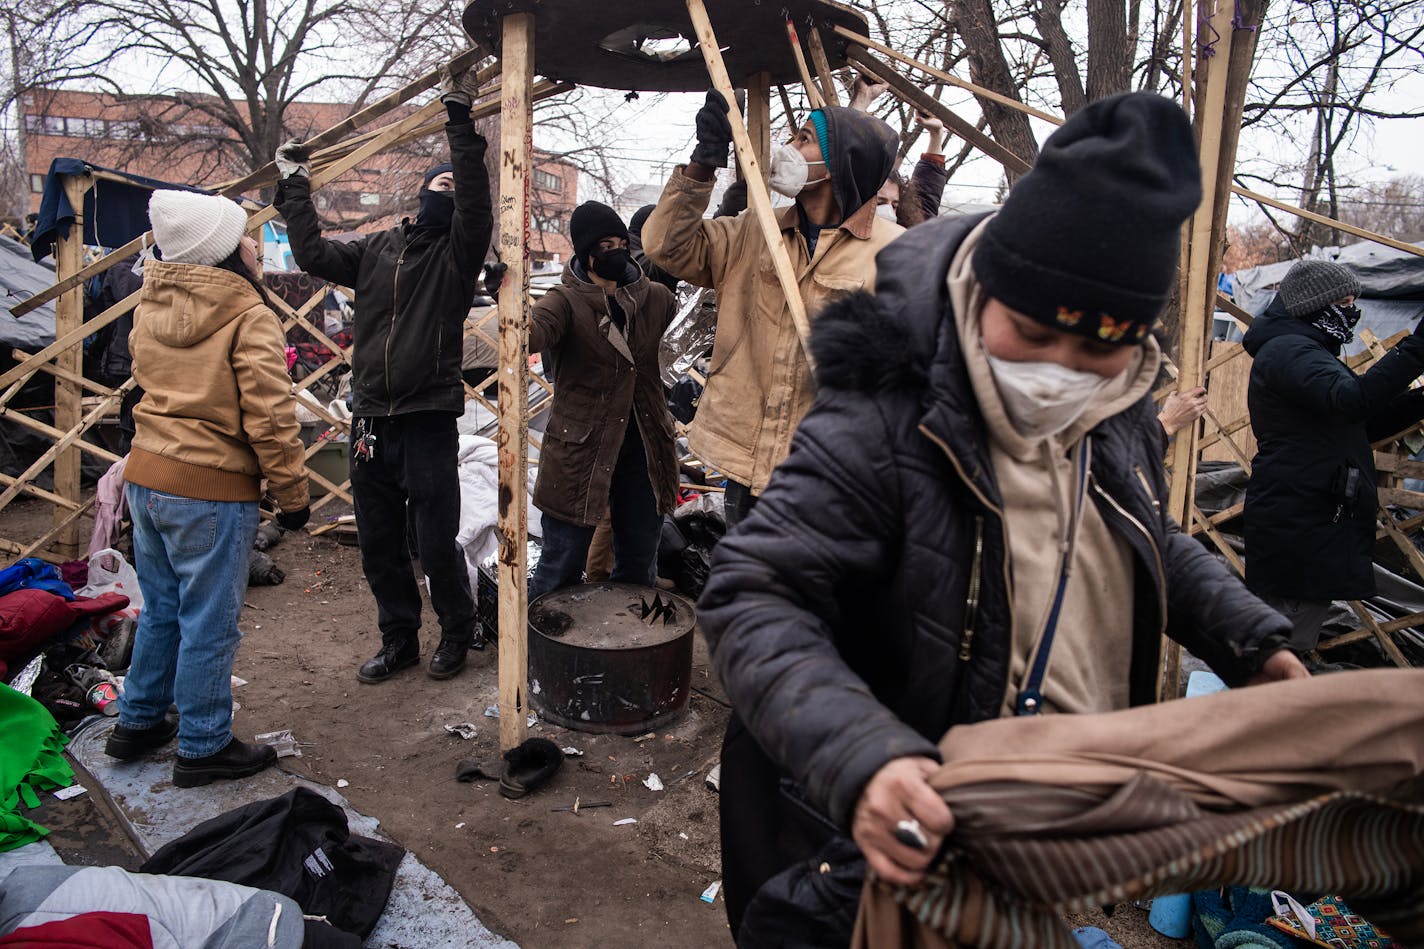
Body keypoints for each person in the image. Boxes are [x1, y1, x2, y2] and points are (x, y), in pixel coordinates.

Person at [696, 92, 1308, 945]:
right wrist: (865, 756)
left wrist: (1253, 642)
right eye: (1031, 332)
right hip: (864, 842)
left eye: (1097, 349)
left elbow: (1137, 531)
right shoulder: (888, 409)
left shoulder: (1113, 404)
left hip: (1026, 840)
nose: (1061, 372)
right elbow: (751, 592)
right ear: (989, 292)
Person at [274, 64, 493, 684]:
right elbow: (312, 252)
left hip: (426, 414)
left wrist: (459, 125)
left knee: (434, 538)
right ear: (422, 192)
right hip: (370, 414)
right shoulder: (377, 250)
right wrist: (295, 186)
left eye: (454, 184)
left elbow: (474, 206)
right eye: (439, 182)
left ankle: (454, 632)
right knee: (378, 542)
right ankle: (399, 639)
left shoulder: (457, 255)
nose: (447, 190)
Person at [105, 190, 309, 787]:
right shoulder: (249, 317)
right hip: (210, 488)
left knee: (163, 609)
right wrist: (294, 498)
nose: (254, 244)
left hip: (146, 477)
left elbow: (144, 384)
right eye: (244, 235)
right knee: (208, 623)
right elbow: (270, 418)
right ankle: (203, 744)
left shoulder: (150, 304)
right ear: (223, 251)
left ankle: (138, 720)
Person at [644, 93, 901, 528]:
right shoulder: (755, 229)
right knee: (746, 587)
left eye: (804, 139)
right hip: (747, 461)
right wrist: (704, 161)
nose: (789, 147)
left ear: (841, 162)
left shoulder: (893, 252)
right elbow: (665, 245)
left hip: (827, 472)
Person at [1243, 259, 1424, 652]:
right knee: (1279, 651)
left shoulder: (1307, 350)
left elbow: (1360, 423)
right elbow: (1352, 402)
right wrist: (1417, 348)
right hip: (1299, 525)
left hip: (1308, 522)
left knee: (1282, 648)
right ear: (1314, 305)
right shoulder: (1290, 351)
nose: (1352, 311)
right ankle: (1264, 710)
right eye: (1343, 302)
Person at [525, 202, 680, 600]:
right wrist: (507, 302)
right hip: (581, 449)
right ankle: (544, 653)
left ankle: (630, 650)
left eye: (618, 243)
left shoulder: (655, 298)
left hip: (643, 443)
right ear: (584, 253)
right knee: (561, 562)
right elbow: (532, 333)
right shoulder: (563, 301)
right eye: (602, 245)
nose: (614, 251)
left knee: (639, 563)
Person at [849, 78, 950, 227]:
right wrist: (861, 100)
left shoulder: (900, 239)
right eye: (880, 202)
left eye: (894, 205)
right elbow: (840, 158)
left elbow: (924, 203)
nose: (888, 211)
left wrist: (936, 134)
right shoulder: (839, 236)